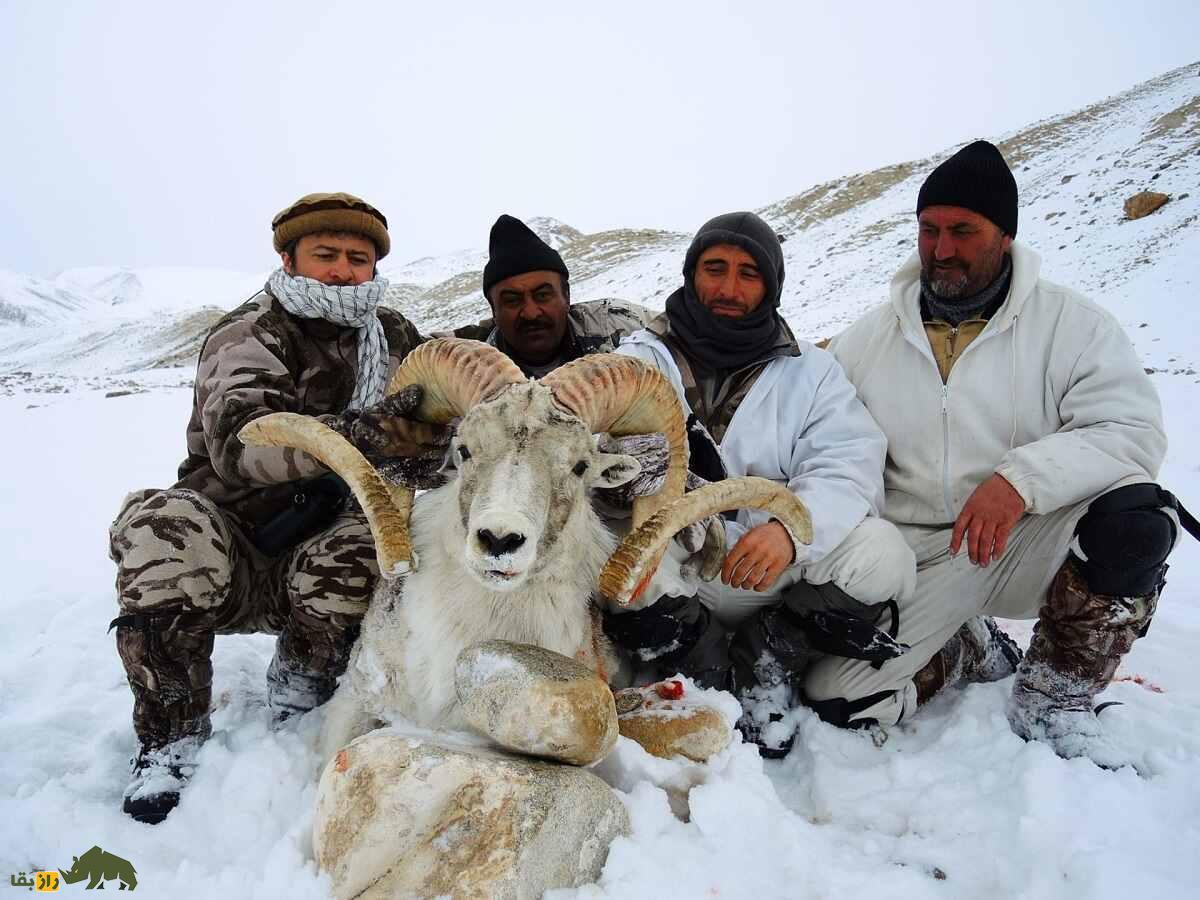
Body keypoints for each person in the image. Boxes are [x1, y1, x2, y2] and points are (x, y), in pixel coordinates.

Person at [824, 141, 1194, 769]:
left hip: (1025, 538)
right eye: (930, 229)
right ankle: (963, 649)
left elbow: (1131, 430)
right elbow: (828, 446)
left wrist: (1020, 480)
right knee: (837, 701)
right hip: (912, 556)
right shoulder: (864, 342)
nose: (942, 249)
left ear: (1005, 234)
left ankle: (1057, 694)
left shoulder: (1074, 326)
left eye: (963, 230)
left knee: (1136, 517)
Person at [108, 192, 445, 822]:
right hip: (232, 546)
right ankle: (170, 735)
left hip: (324, 549)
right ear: (289, 259)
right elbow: (244, 442)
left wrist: (437, 443)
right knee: (161, 529)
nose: (343, 270)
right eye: (326, 255)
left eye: (358, 257)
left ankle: (304, 678)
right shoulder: (249, 333)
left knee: (385, 536)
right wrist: (362, 434)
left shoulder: (396, 337)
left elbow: (434, 423)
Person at [612, 211, 918, 756]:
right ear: (690, 274)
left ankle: (767, 662)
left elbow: (850, 463)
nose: (729, 288)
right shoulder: (635, 363)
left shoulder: (812, 373)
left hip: (766, 572)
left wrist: (790, 530)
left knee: (883, 553)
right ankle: (701, 673)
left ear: (771, 285)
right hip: (673, 572)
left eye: (748, 273)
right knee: (617, 550)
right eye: (715, 268)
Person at [451, 214, 652, 376]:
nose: (530, 313)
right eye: (512, 301)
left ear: (566, 296)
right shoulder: (473, 372)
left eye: (543, 295)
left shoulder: (620, 324)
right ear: (493, 310)